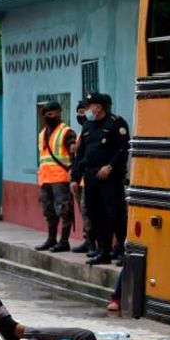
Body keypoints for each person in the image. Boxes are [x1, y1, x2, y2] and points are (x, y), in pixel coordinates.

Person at [70, 93, 129, 266]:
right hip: (91, 177)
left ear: (99, 107)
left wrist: (110, 166)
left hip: (110, 178)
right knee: (96, 214)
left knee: (115, 214)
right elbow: (81, 155)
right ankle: (103, 251)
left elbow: (123, 148)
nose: (86, 110)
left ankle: (122, 251)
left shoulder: (116, 123)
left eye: (89, 106)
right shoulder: (88, 125)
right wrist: (75, 178)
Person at [34, 101, 75, 252]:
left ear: (59, 113)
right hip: (45, 179)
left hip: (60, 178)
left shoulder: (67, 132)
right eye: (45, 114)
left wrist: (74, 175)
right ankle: (51, 239)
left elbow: (74, 155)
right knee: (48, 211)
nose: (47, 116)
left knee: (64, 210)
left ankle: (64, 241)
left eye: (51, 113)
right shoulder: (42, 133)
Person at [70, 100, 96, 255]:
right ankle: (88, 241)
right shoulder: (82, 133)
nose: (81, 115)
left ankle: (94, 243)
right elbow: (78, 158)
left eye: (84, 111)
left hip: (92, 178)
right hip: (81, 178)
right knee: (84, 210)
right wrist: (74, 178)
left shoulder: (94, 130)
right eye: (79, 112)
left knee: (89, 210)